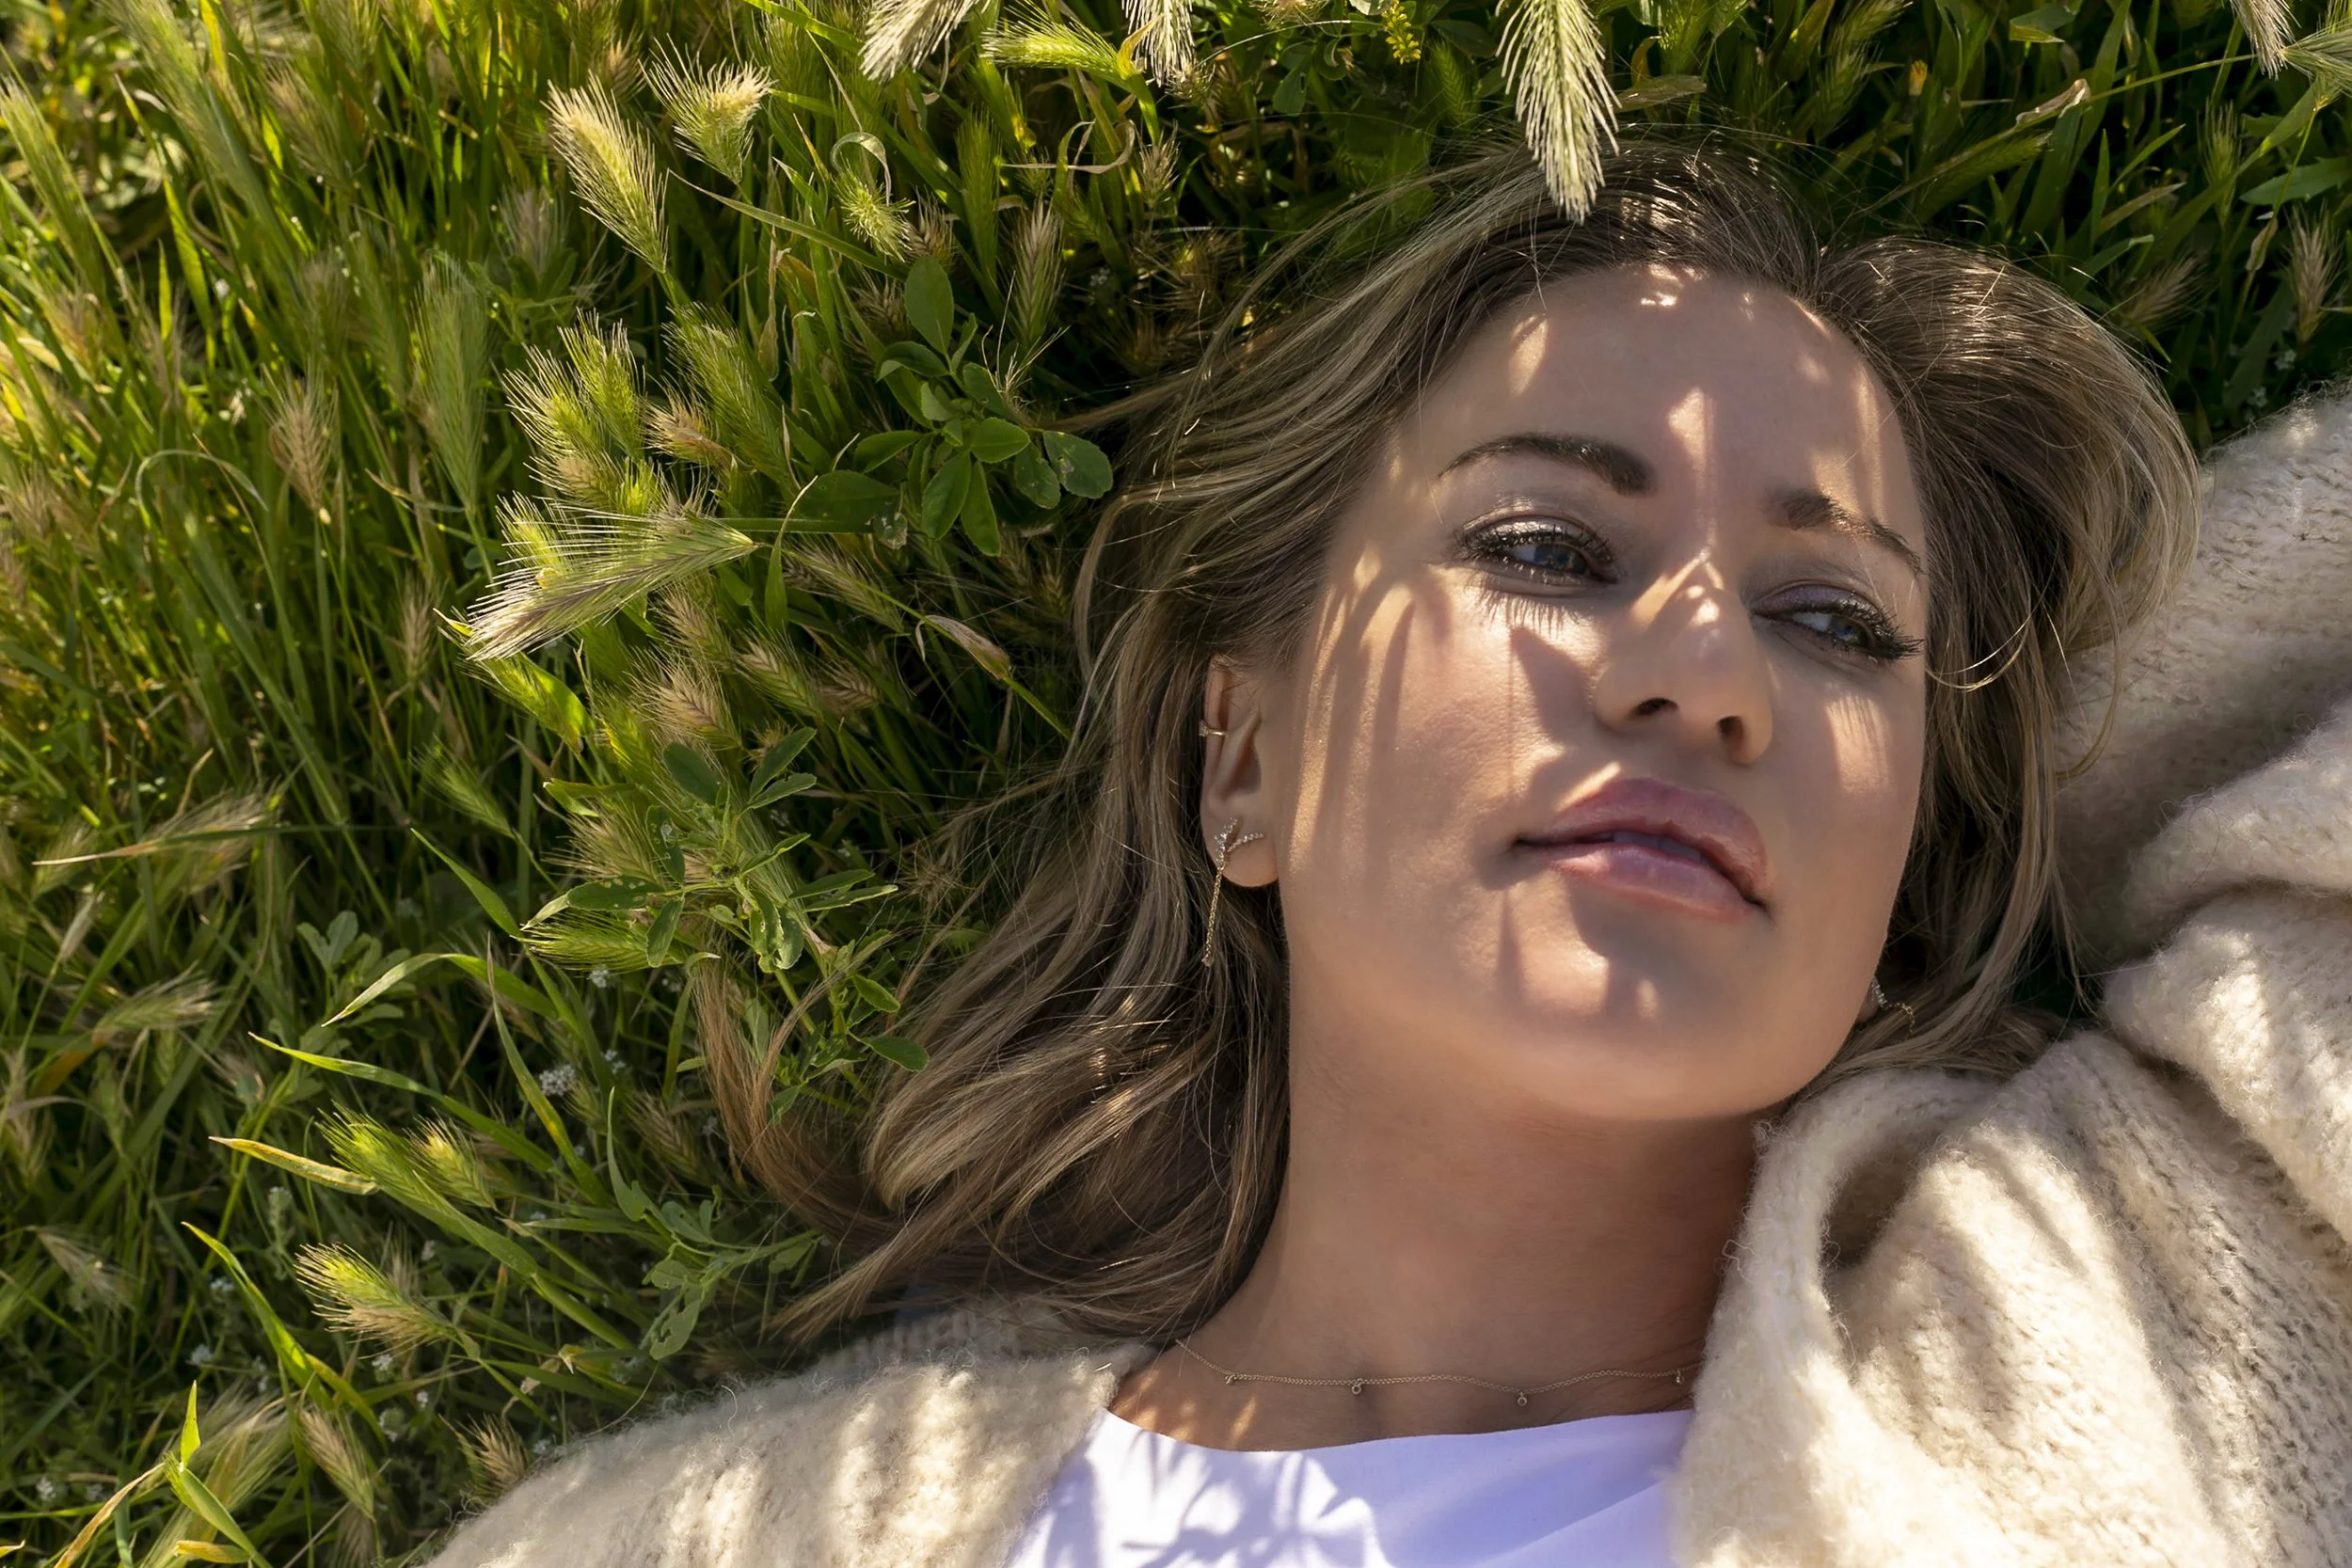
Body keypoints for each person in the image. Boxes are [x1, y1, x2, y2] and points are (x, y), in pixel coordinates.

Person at [422, 144, 2352, 1566]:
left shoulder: (2123, 1294)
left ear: (1908, 845)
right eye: (1542, 548)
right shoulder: (698, 1538)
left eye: (1835, 621)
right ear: (1237, 750)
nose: (1701, 674)